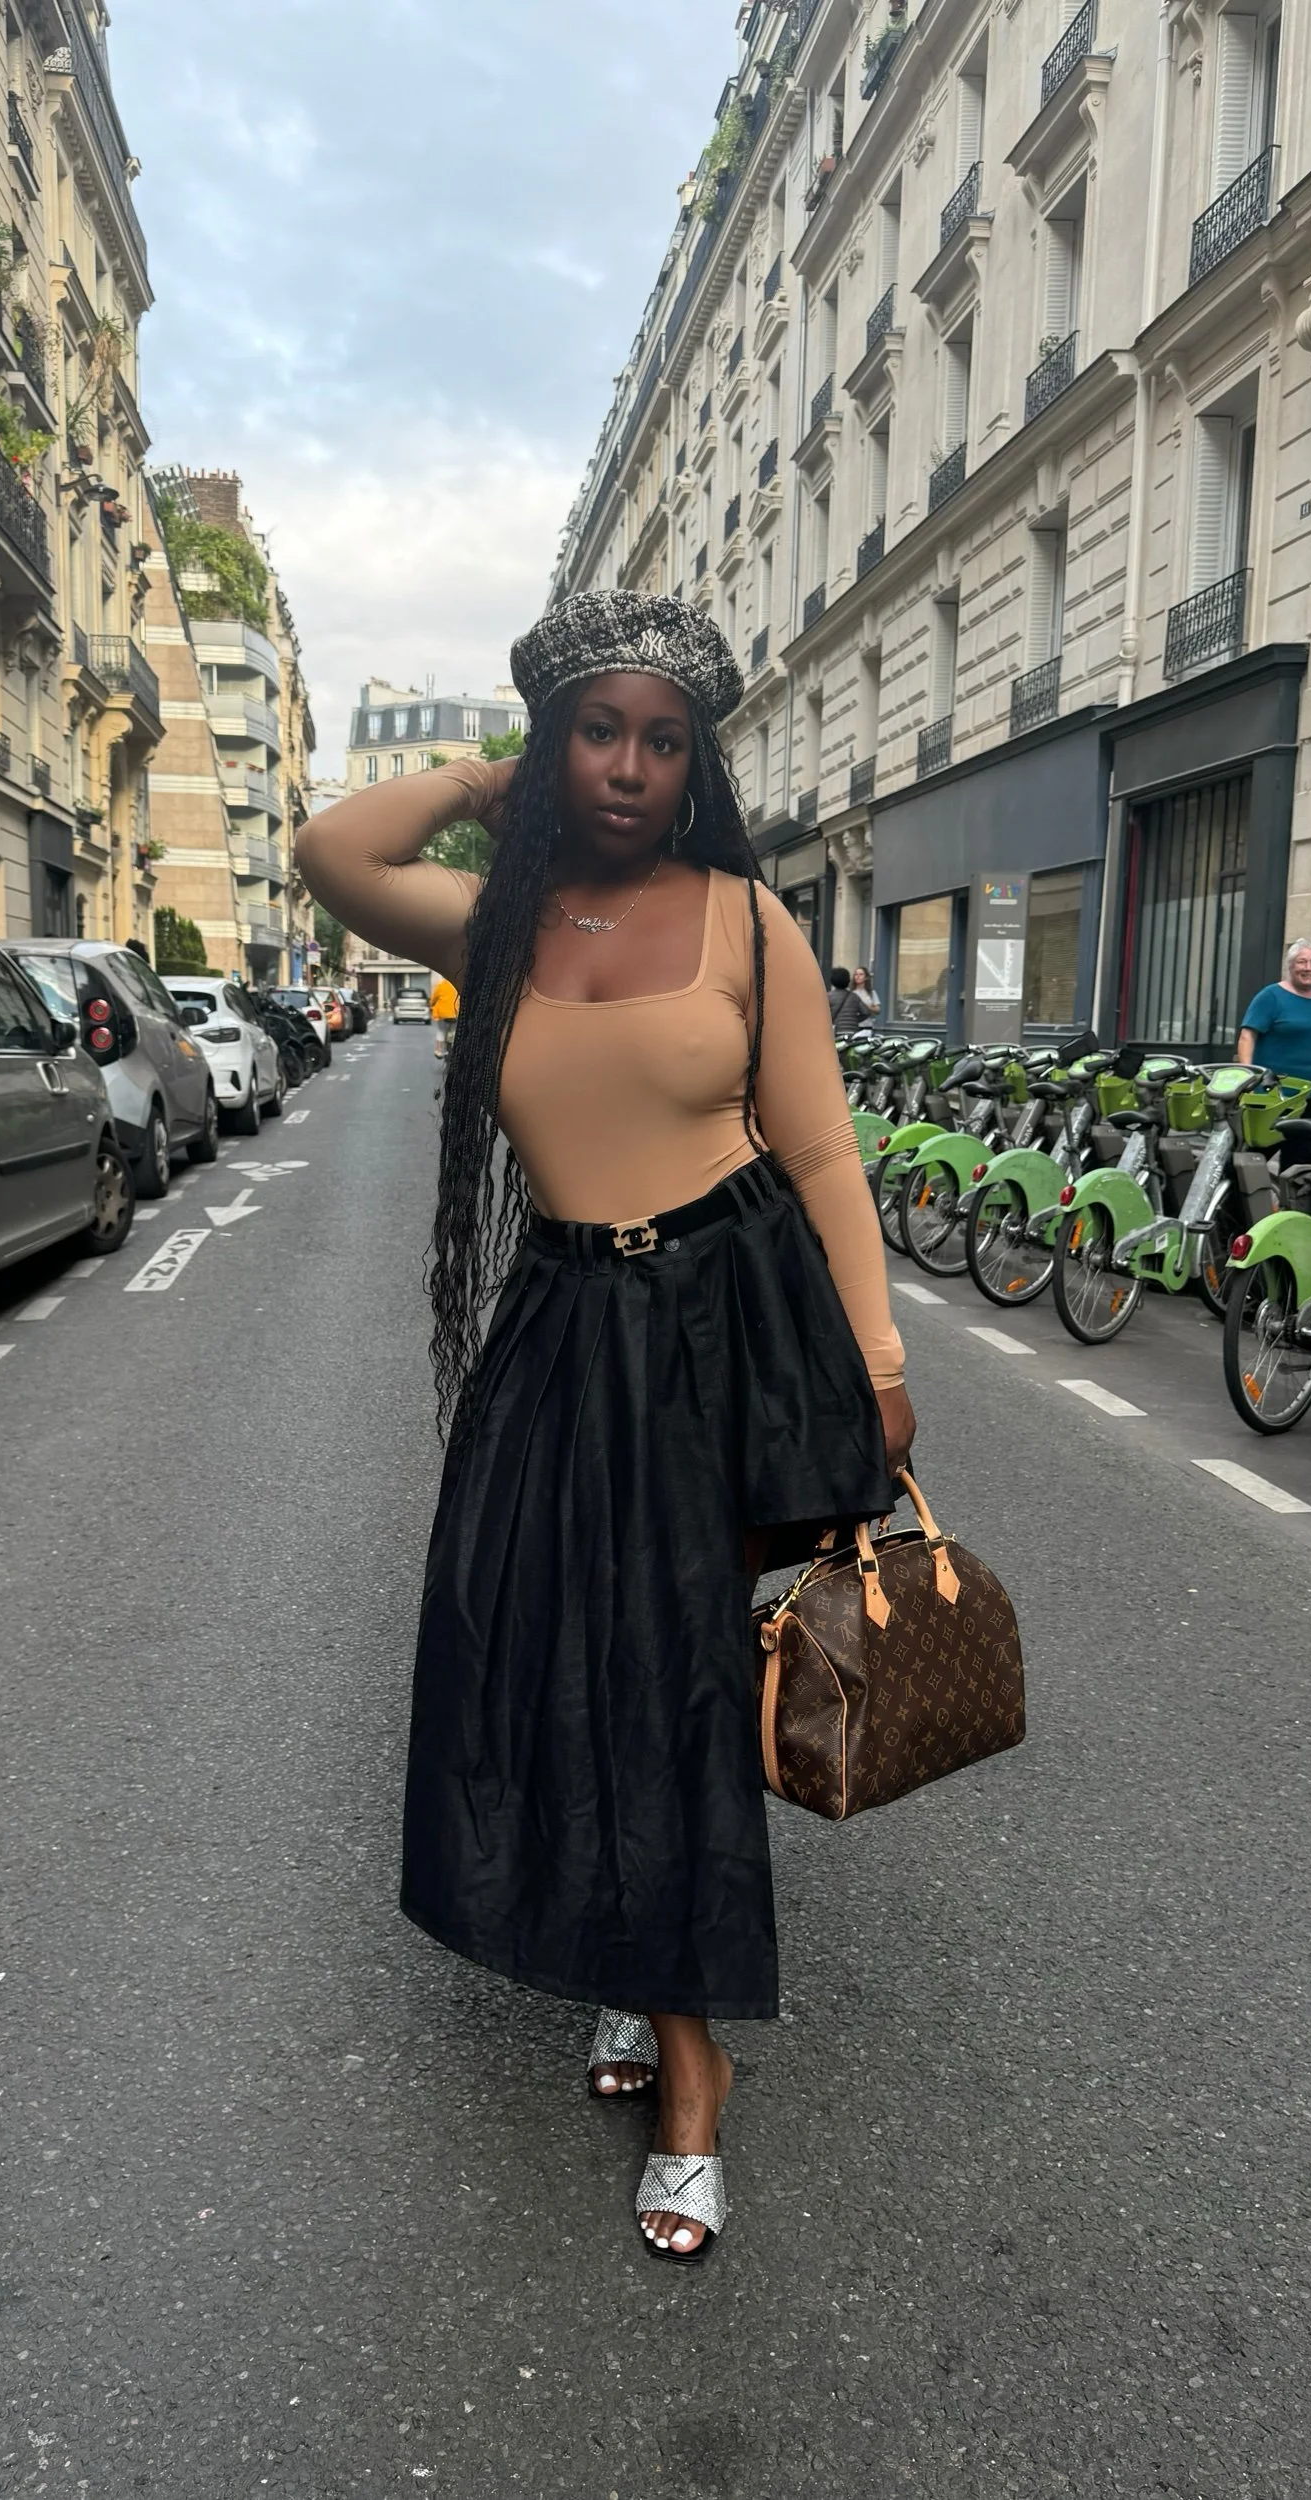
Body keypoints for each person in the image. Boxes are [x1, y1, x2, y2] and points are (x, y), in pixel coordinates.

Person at [296, 589, 914, 2265]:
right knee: (543, 1657)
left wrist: (874, 1350)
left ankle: (690, 2064)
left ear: (695, 762)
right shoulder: (491, 920)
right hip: (565, 1328)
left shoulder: (745, 921)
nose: (631, 767)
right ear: (554, 742)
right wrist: (490, 781)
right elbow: (333, 850)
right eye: (598, 732)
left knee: (675, 1680)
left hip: (725, 1324)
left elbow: (822, 1150)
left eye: (661, 740)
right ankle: (638, 1960)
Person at [1236, 939, 1311, 1089]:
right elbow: (1247, 1037)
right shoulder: (1271, 996)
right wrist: (1248, 1077)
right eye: (1301, 962)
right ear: (1290, 966)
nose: (1308, 968)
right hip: (1272, 1090)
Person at [829, 963, 875, 1036]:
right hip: (852, 1031)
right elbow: (866, 1012)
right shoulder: (854, 996)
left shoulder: (828, 997)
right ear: (848, 980)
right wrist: (855, 1020)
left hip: (836, 1032)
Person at [429, 968, 459, 1061]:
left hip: (443, 1015)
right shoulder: (456, 985)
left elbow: (433, 999)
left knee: (441, 1031)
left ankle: (439, 1051)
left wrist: (431, 1004)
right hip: (454, 1014)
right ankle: (453, 1048)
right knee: (453, 1031)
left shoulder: (441, 985)